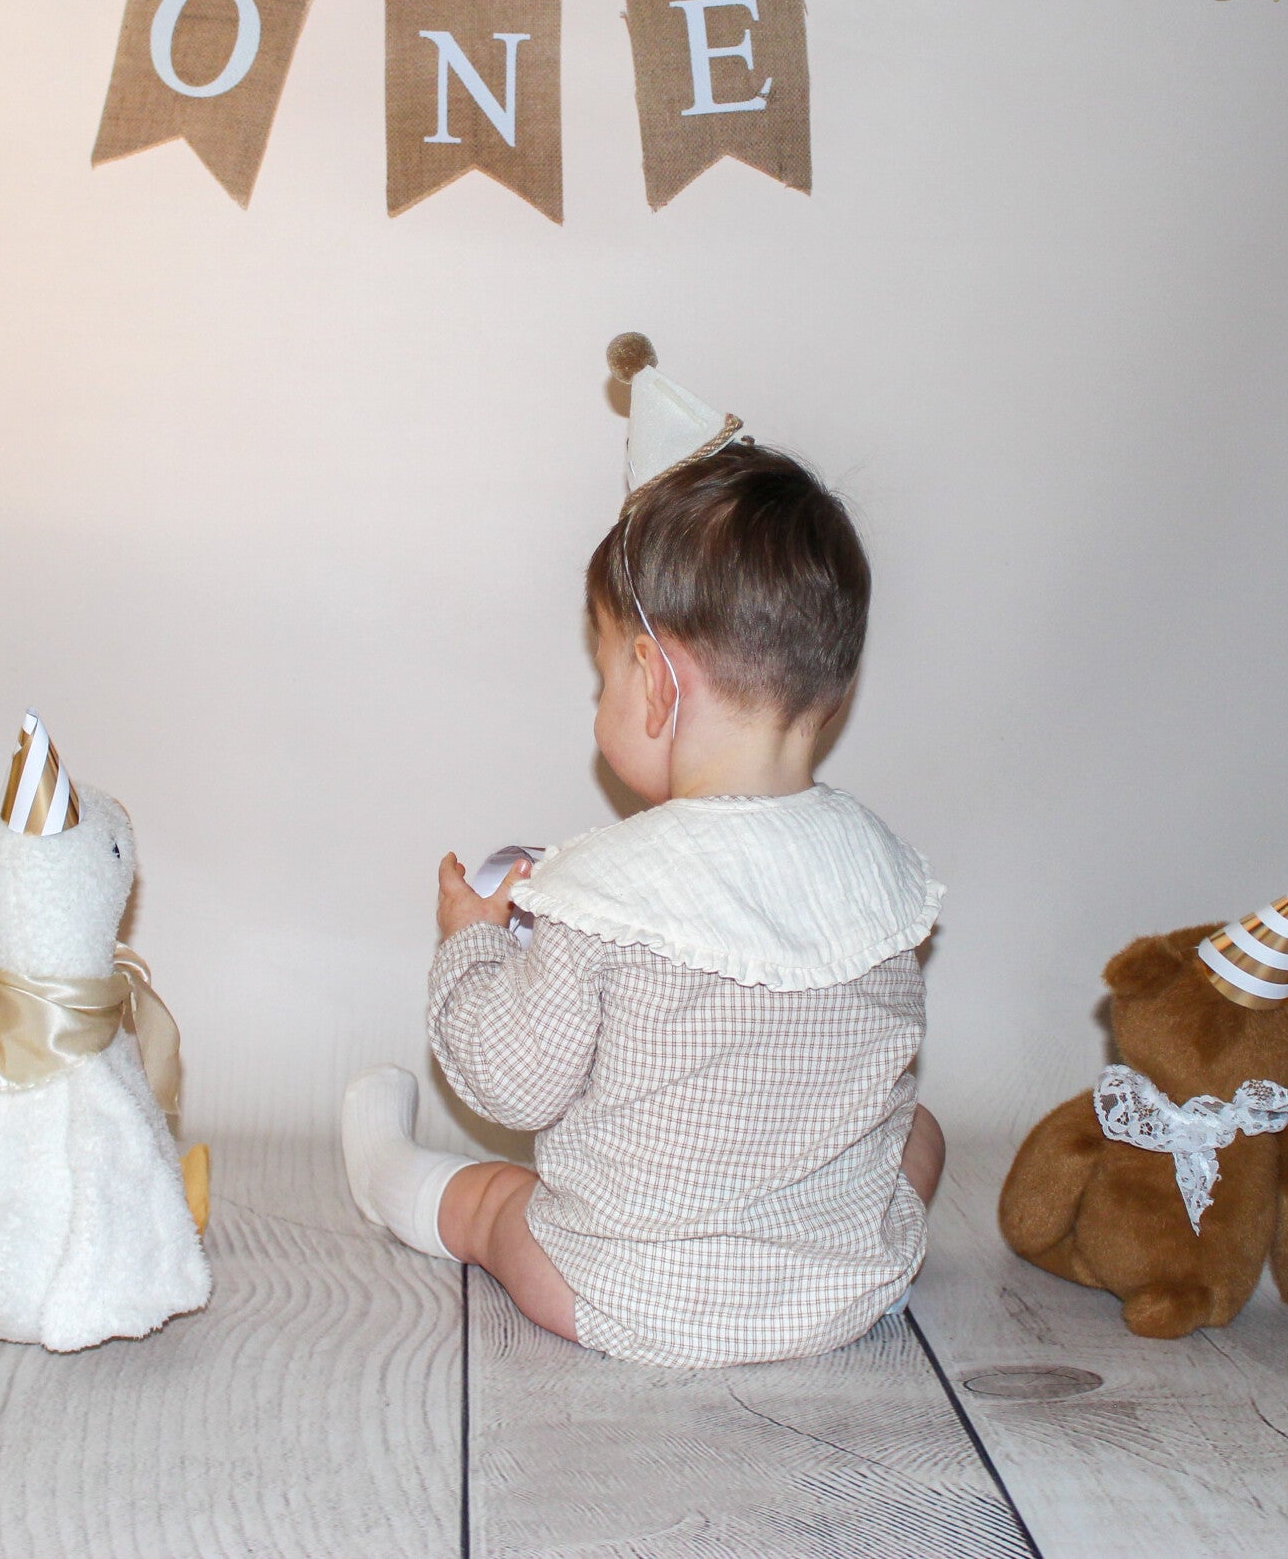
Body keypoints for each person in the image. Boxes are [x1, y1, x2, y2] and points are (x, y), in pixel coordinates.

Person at [342, 337, 945, 1369]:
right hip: (843, 1288)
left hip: (633, 1294)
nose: (599, 704)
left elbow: (512, 1087)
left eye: (603, 679)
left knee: (498, 1205)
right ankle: (824, 1250)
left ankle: (380, 1164)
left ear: (657, 686)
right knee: (914, 1133)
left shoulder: (605, 894)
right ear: (833, 686)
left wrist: (474, 946)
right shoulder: (884, 873)